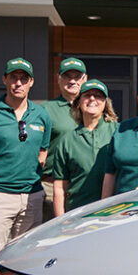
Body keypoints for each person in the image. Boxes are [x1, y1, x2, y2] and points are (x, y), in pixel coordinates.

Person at [0, 58, 51, 275]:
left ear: (31, 82)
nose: (18, 83)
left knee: (24, 261)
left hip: (31, 198)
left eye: (23, 79)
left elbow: (42, 153)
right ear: (4, 80)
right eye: (13, 78)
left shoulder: (42, 115)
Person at [51, 79, 119, 214]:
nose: (92, 99)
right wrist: (60, 221)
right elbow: (59, 188)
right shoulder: (67, 140)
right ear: (78, 103)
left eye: (98, 96)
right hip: (77, 212)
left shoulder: (118, 132)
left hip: (113, 212)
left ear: (105, 103)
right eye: (87, 95)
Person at [41, 58, 87, 220]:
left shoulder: (94, 108)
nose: (72, 81)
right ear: (58, 79)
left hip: (85, 186)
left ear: (85, 79)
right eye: (67, 76)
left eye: (77, 76)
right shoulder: (46, 110)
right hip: (52, 186)